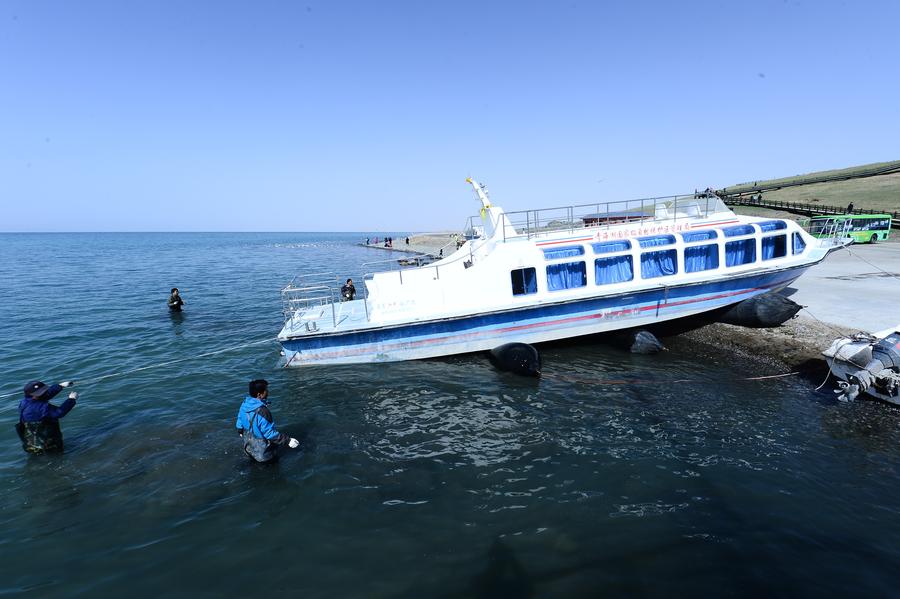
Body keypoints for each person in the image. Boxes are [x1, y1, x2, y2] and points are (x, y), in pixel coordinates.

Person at [235, 379, 299, 463]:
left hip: (249, 446)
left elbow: (239, 420)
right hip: (263, 453)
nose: (268, 392)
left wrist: (240, 430)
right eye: (266, 390)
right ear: (259, 394)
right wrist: (288, 440)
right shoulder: (263, 411)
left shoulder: (245, 403)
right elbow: (269, 434)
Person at [17, 380, 78, 454]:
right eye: (41, 392)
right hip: (47, 444)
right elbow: (59, 413)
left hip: (30, 442)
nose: (44, 393)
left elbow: (46, 395)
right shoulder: (42, 407)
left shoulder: (25, 402)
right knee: (55, 457)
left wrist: (60, 386)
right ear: (33, 395)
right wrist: (71, 399)